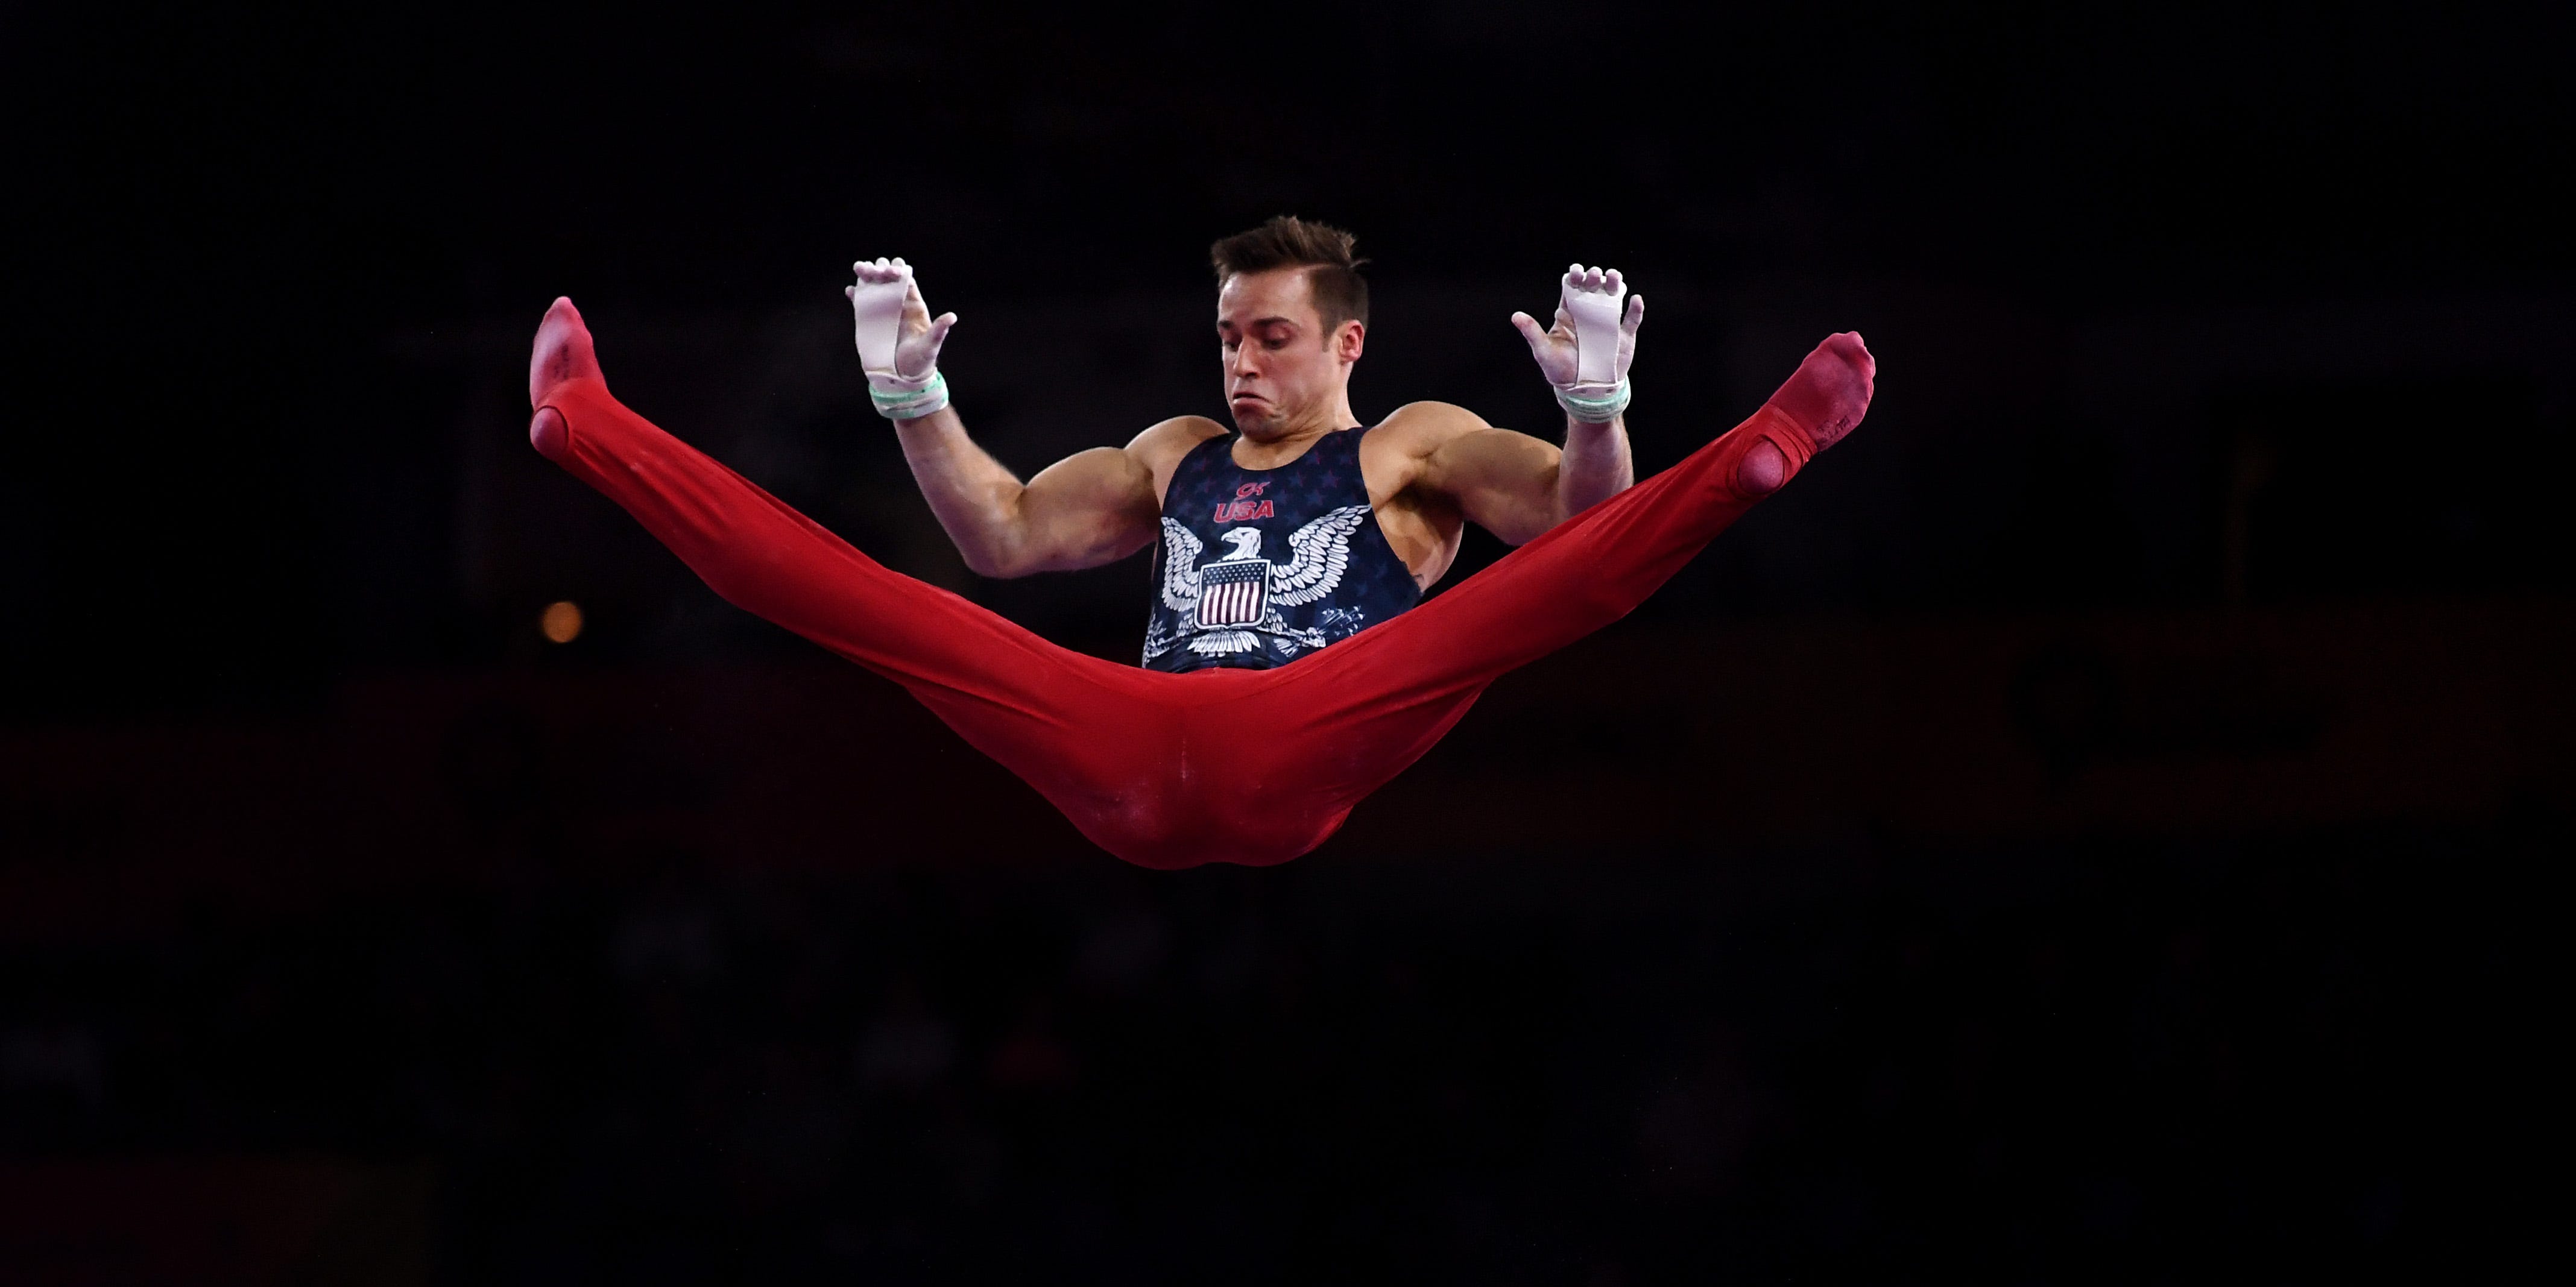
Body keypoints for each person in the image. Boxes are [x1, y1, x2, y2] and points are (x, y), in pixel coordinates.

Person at [526, 217, 1873, 867]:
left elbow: (1586, 531)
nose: (1240, 361)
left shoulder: (1413, 443)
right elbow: (999, 540)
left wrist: (1592, 412)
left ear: (1348, 342)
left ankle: (1763, 453)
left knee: (1532, 604)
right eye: (1228, 333)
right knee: (870, 605)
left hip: (1309, 734)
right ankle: (589, 426)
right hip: (1127, 737)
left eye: (1272, 336)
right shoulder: (1171, 455)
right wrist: (913, 403)